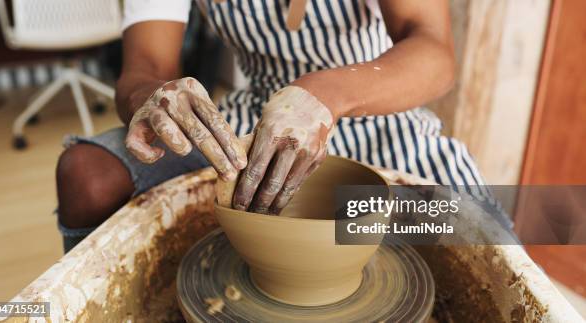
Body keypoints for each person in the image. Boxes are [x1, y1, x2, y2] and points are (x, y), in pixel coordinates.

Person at [56, 0, 489, 252]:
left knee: (485, 243)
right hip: (256, 115)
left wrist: (325, 95)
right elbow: (144, 67)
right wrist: (149, 97)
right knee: (87, 174)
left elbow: (433, 50)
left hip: (375, 108)